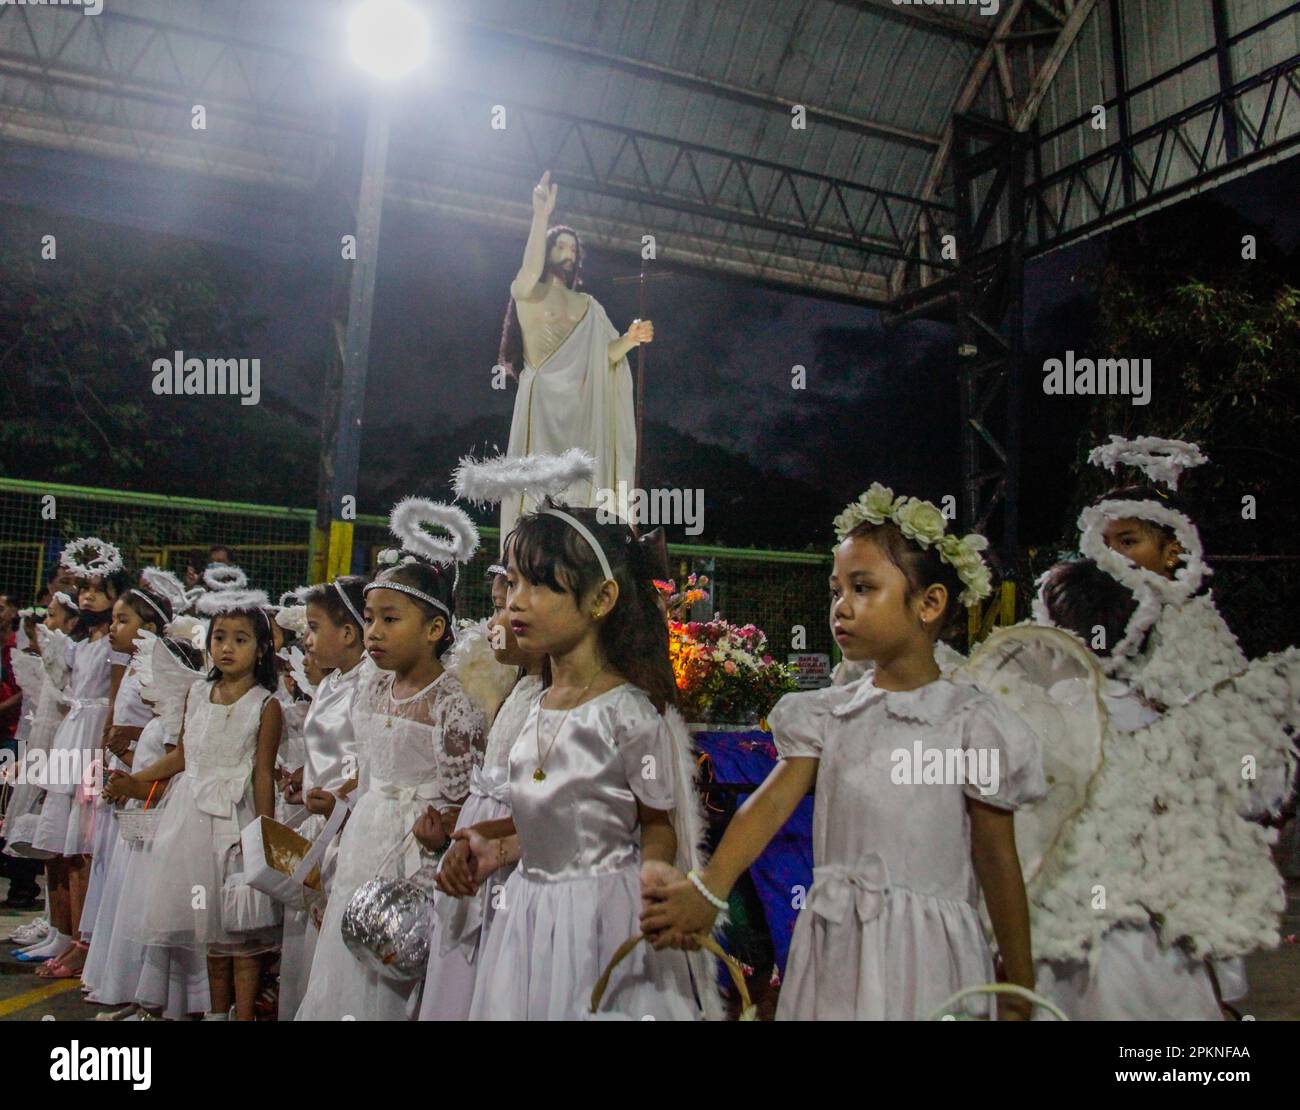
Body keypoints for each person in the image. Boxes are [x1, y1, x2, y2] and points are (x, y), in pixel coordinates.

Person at [643, 485, 1046, 1020]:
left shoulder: (973, 724)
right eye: (836, 591)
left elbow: (997, 858)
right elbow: (765, 806)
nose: (841, 607)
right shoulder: (828, 715)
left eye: (863, 588)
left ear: (929, 604)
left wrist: (1019, 986)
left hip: (927, 955)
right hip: (838, 942)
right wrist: (709, 890)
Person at [452, 502, 712, 1021]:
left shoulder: (630, 715)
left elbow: (656, 822)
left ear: (601, 599)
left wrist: (656, 877)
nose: (515, 604)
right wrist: (491, 844)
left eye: (541, 585)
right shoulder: (534, 705)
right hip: (527, 914)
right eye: (514, 582)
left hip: (597, 918)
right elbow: (559, 814)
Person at [297, 500, 487, 1021]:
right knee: (348, 955)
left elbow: (466, 798)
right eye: (370, 619)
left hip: (416, 853)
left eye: (389, 619)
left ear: (434, 629)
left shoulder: (452, 704)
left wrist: (441, 834)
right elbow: (371, 770)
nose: (373, 632)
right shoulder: (371, 688)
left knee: (400, 965)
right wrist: (339, 800)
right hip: (366, 836)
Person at [120, 586, 283, 1020]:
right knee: (210, 931)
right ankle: (215, 1012)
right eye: (219, 637)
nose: (227, 648)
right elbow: (183, 755)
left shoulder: (266, 706)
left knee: (242, 933)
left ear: (262, 647)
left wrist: (263, 836)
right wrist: (134, 780)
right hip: (191, 822)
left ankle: (243, 1013)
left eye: (240, 639)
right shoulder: (197, 694)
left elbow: (262, 773)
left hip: (238, 820)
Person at [497, 171, 651, 543]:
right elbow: (529, 268)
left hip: (583, 407)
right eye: (561, 246)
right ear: (548, 249)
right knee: (538, 497)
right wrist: (540, 216)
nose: (568, 253)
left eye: (573, 249)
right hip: (544, 402)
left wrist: (629, 339)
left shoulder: (589, 306)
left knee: (582, 492)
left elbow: (604, 356)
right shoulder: (530, 293)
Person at [418, 565, 544, 1020]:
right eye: (496, 607)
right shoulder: (518, 687)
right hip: (479, 846)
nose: (494, 624)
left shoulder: (546, 698)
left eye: (503, 608)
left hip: (507, 863)